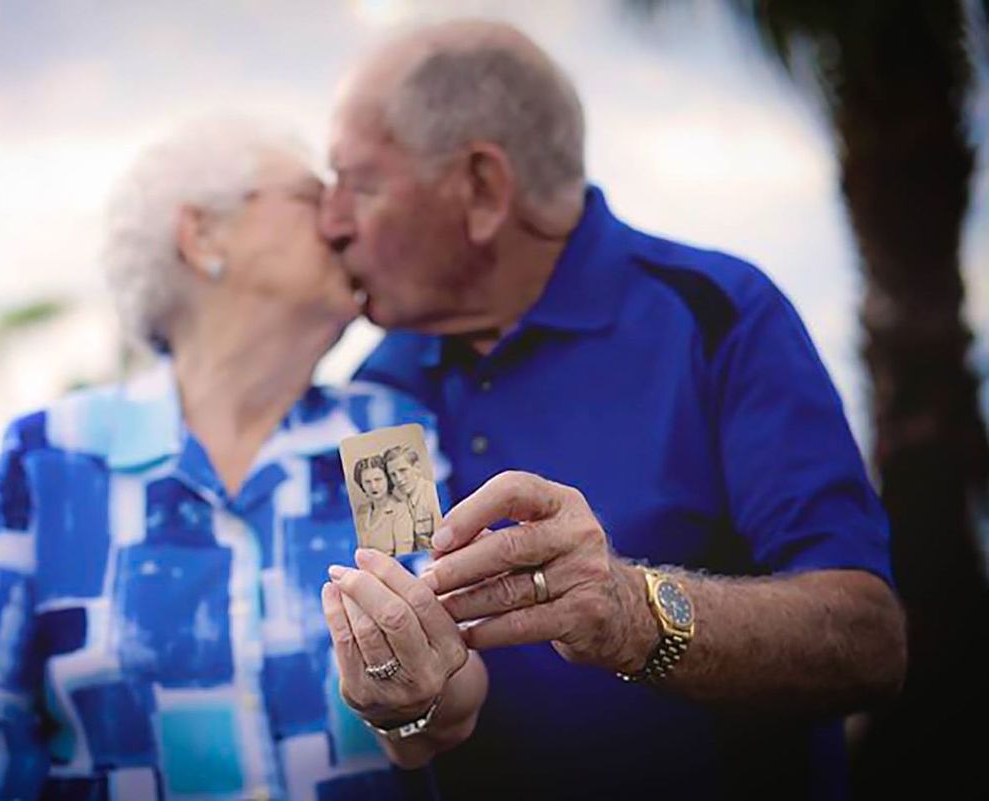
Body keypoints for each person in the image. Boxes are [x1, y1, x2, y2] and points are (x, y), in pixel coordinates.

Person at [318, 19, 907, 800]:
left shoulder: (720, 314)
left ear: (484, 189)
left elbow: (870, 643)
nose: (331, 223)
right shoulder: (381, 389)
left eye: (359, 184)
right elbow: (415, 672)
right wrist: (399, 694)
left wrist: (630, 612)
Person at [0, 118, 486, 801]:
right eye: (313, 197)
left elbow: (453, 672)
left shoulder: (383, 439)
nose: (345, 222)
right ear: (204, 235)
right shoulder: (50, 456)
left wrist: (416, 702)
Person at [353, 454, 414, 554]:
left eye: (378, 479)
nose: (373, 486)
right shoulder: (361, 511)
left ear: (388, 480)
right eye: (367, 482)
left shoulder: (400, 510)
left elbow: (404, 553)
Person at [383, 445, 442, 549]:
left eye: (402, 470)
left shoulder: (433, 495)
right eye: (393, 475)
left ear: (417, 468)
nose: (399, 479)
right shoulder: (398, 501)